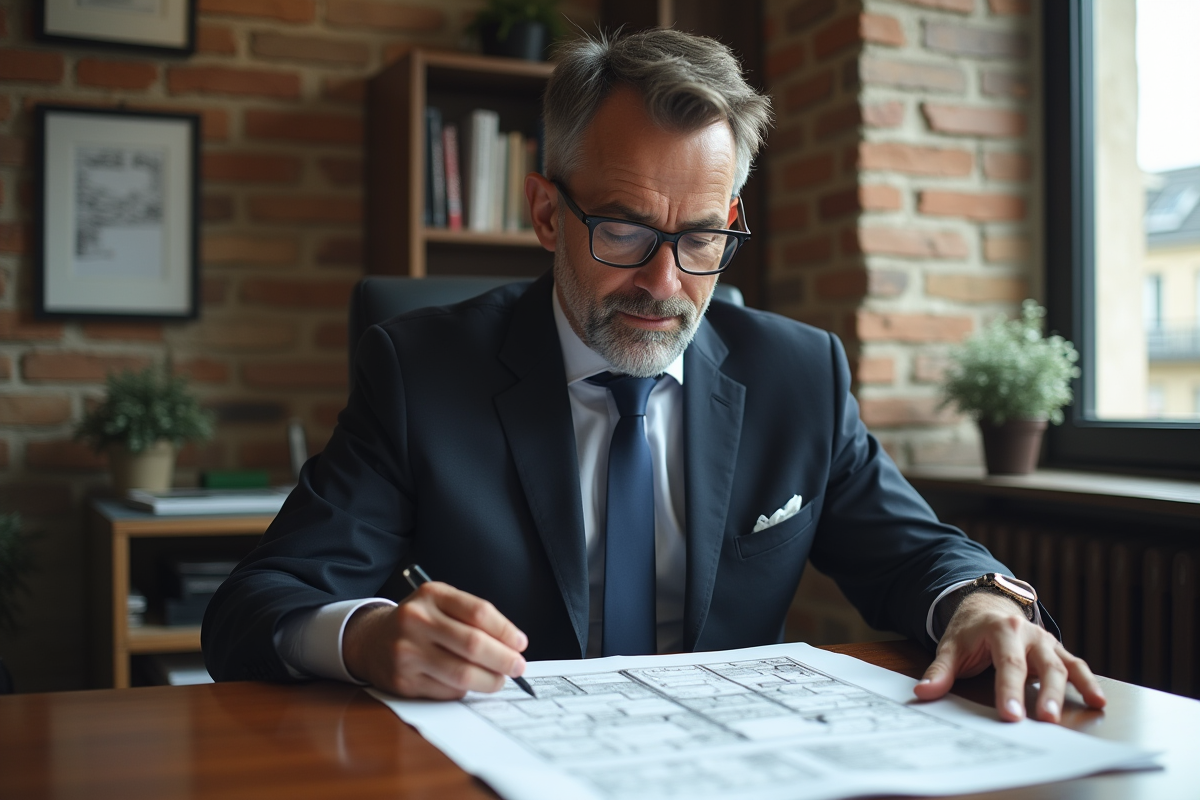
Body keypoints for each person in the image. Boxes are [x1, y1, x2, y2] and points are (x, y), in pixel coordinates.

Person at [202, 29, 1105, 724]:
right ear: (548, 213)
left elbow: (915, 551)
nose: (666, 286)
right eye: (626, 231)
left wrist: (982, 603)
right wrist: (365, 639)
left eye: (702, 237)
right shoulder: (420, 370)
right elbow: (257, 604)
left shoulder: (799, 374)